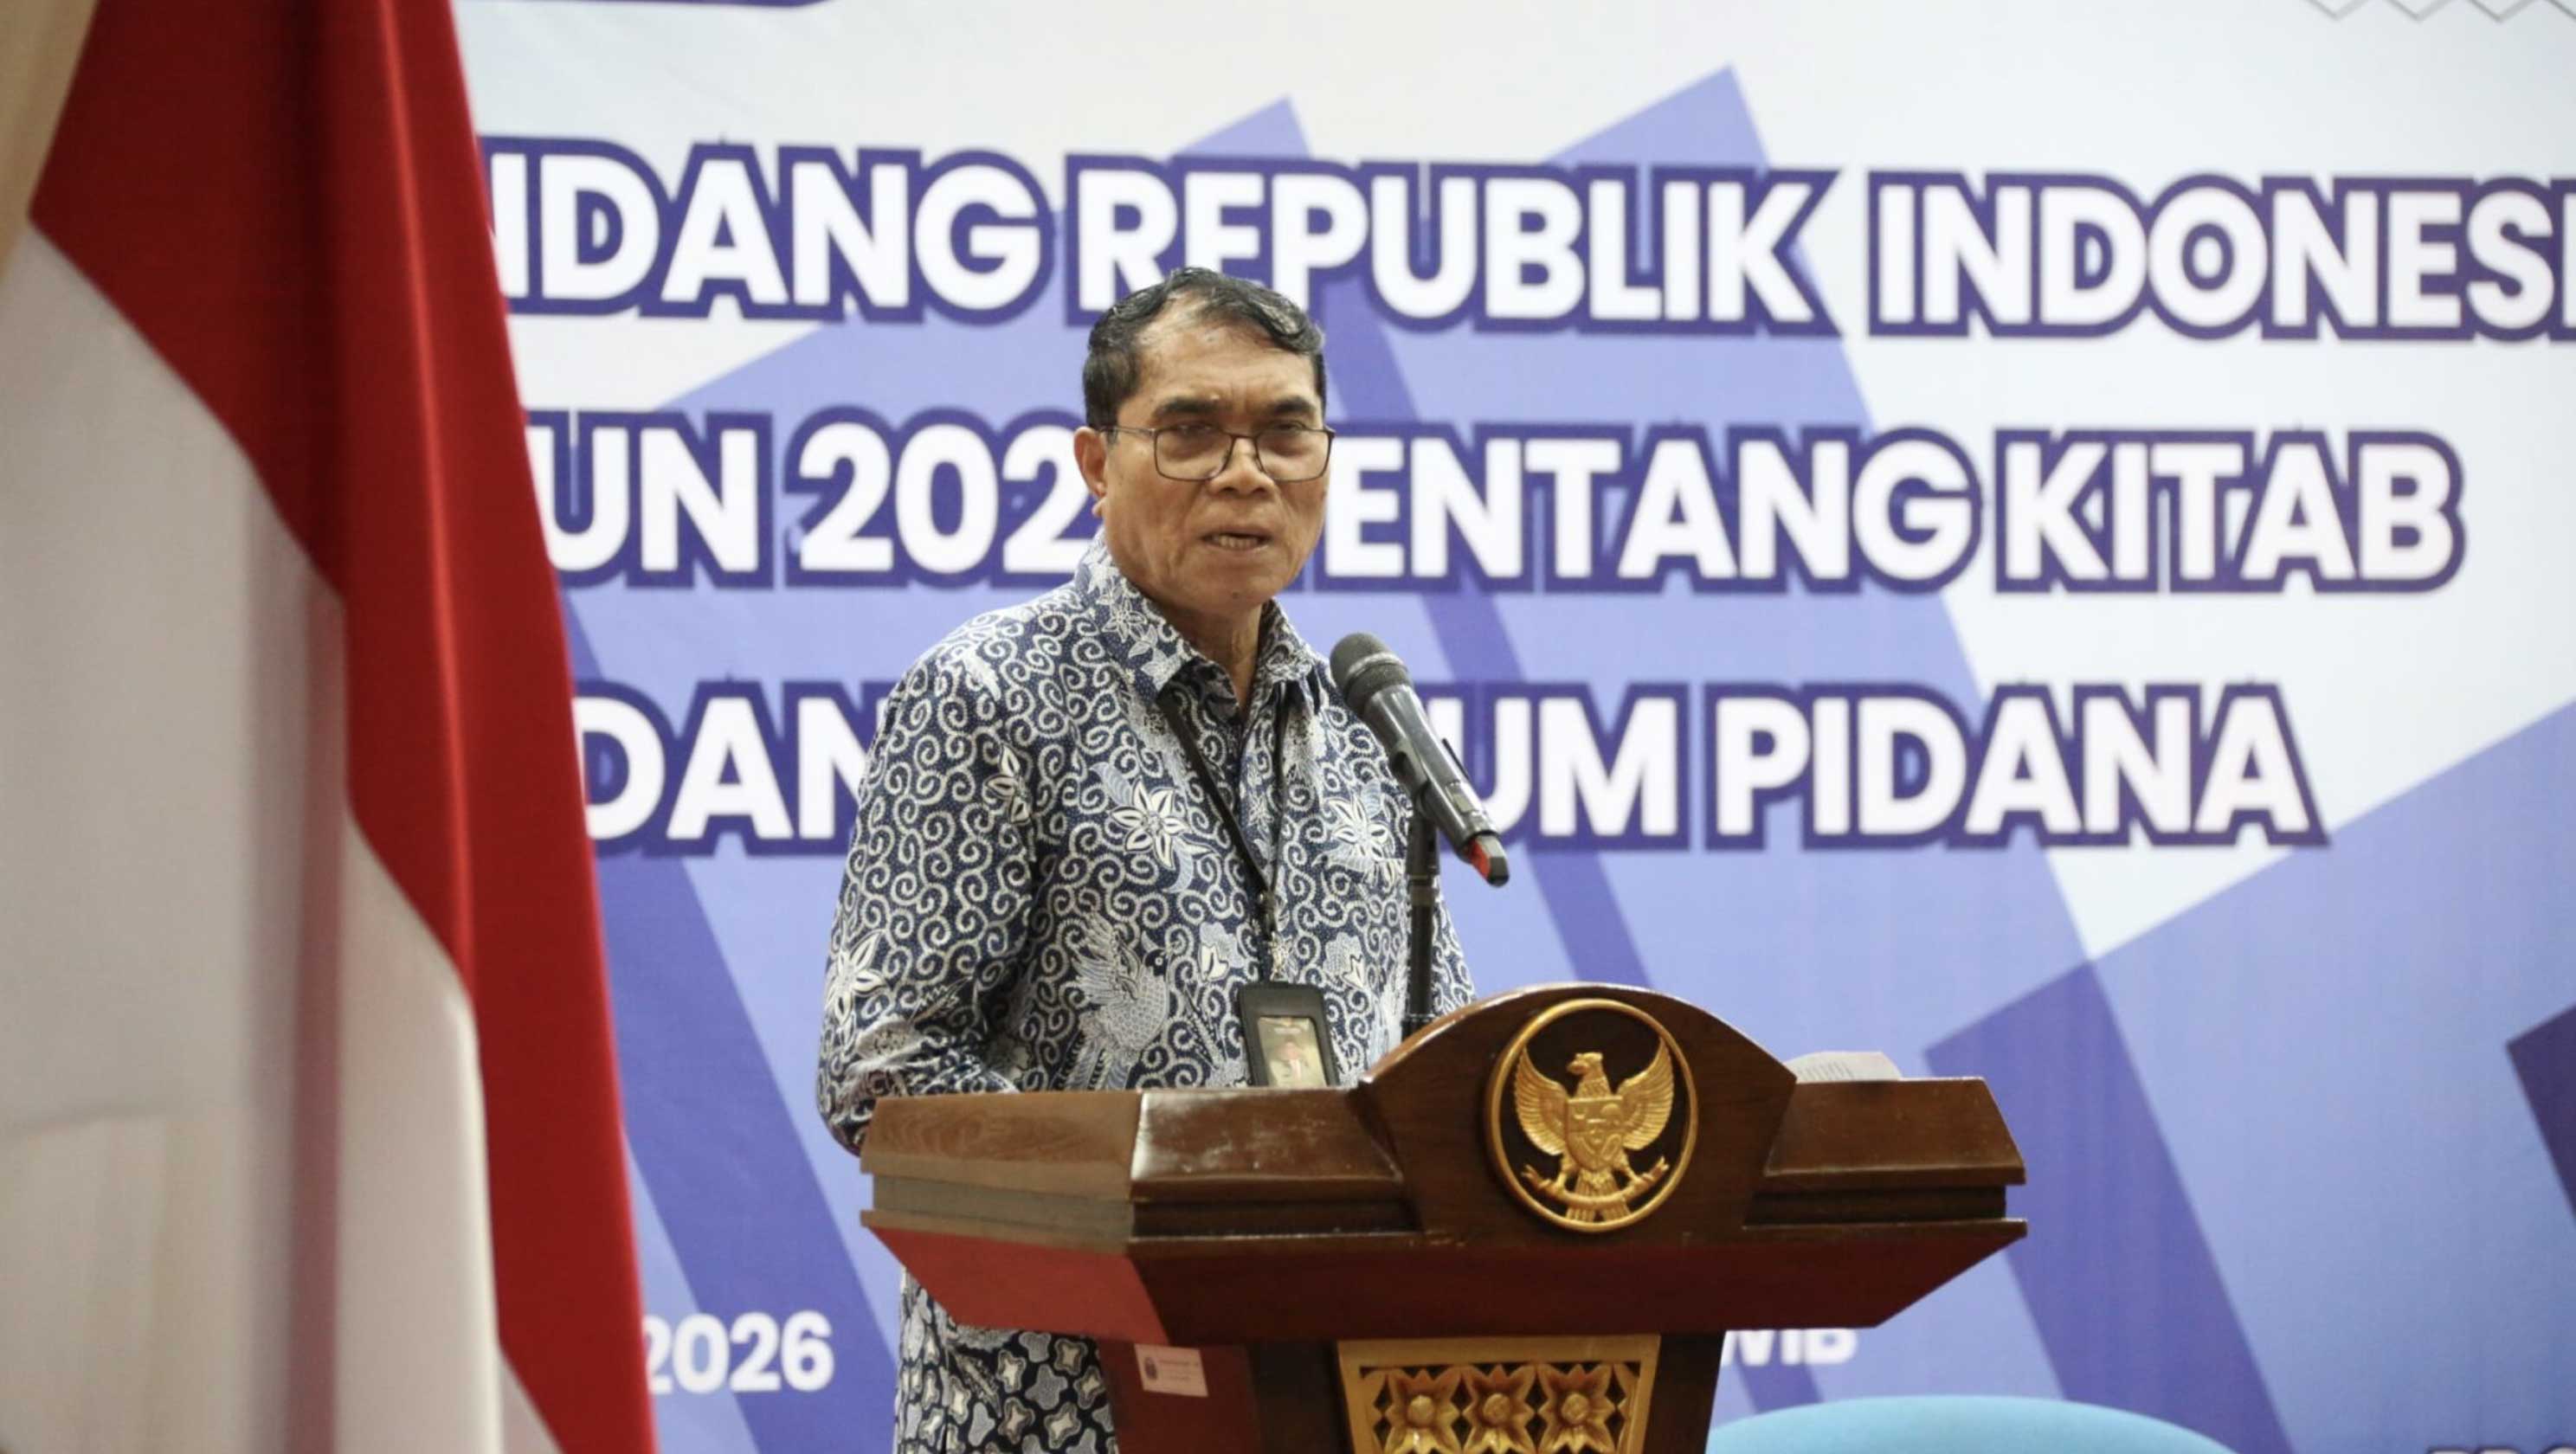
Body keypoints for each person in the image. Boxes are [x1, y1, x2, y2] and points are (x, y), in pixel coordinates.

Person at [815, 267, 1476, 1453]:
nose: (1245, 472)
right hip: (1063, 1409)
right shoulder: (989, 697)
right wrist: (1165, 1200)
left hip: (1341, 1396)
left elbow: (1437, 1062)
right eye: (1191, 432)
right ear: (1095, 462)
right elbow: (883, 1071)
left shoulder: (1368, 727)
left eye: (1285, 432)